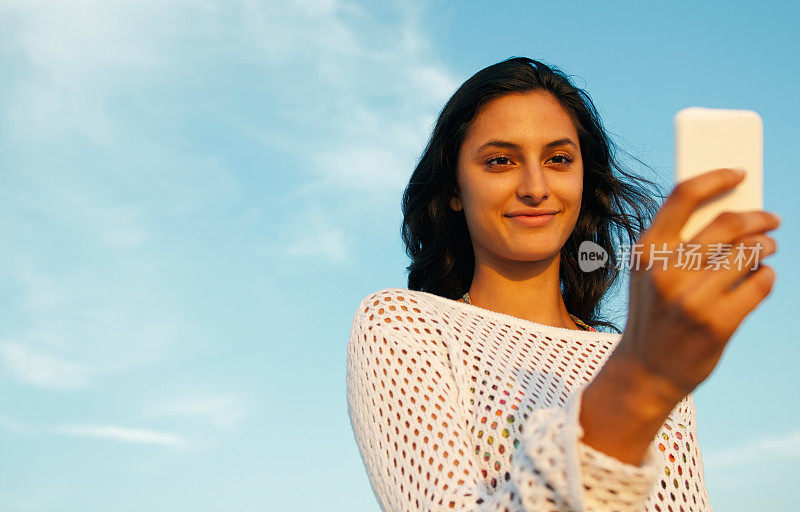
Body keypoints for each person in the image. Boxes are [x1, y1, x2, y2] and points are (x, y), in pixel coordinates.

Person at [345, 56, 779, 512]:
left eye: (558, 159)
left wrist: (651, 369)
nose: (535, 186)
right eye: (500, 161)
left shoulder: (637, 354)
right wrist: (642, 381)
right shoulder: (406, 326)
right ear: (454, 189)